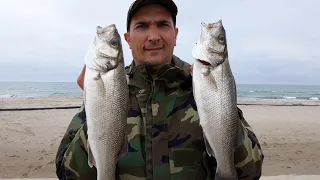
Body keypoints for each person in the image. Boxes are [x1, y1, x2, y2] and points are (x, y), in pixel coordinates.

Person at [55, 0, 264, 179]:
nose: (153, 36)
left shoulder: (199, 86)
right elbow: (66, 173)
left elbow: (251, 171)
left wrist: (223, 100)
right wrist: (92, 105)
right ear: (127, 39)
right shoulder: (106, 92)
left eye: (163, 25)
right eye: (142, 26)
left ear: (175, 34)